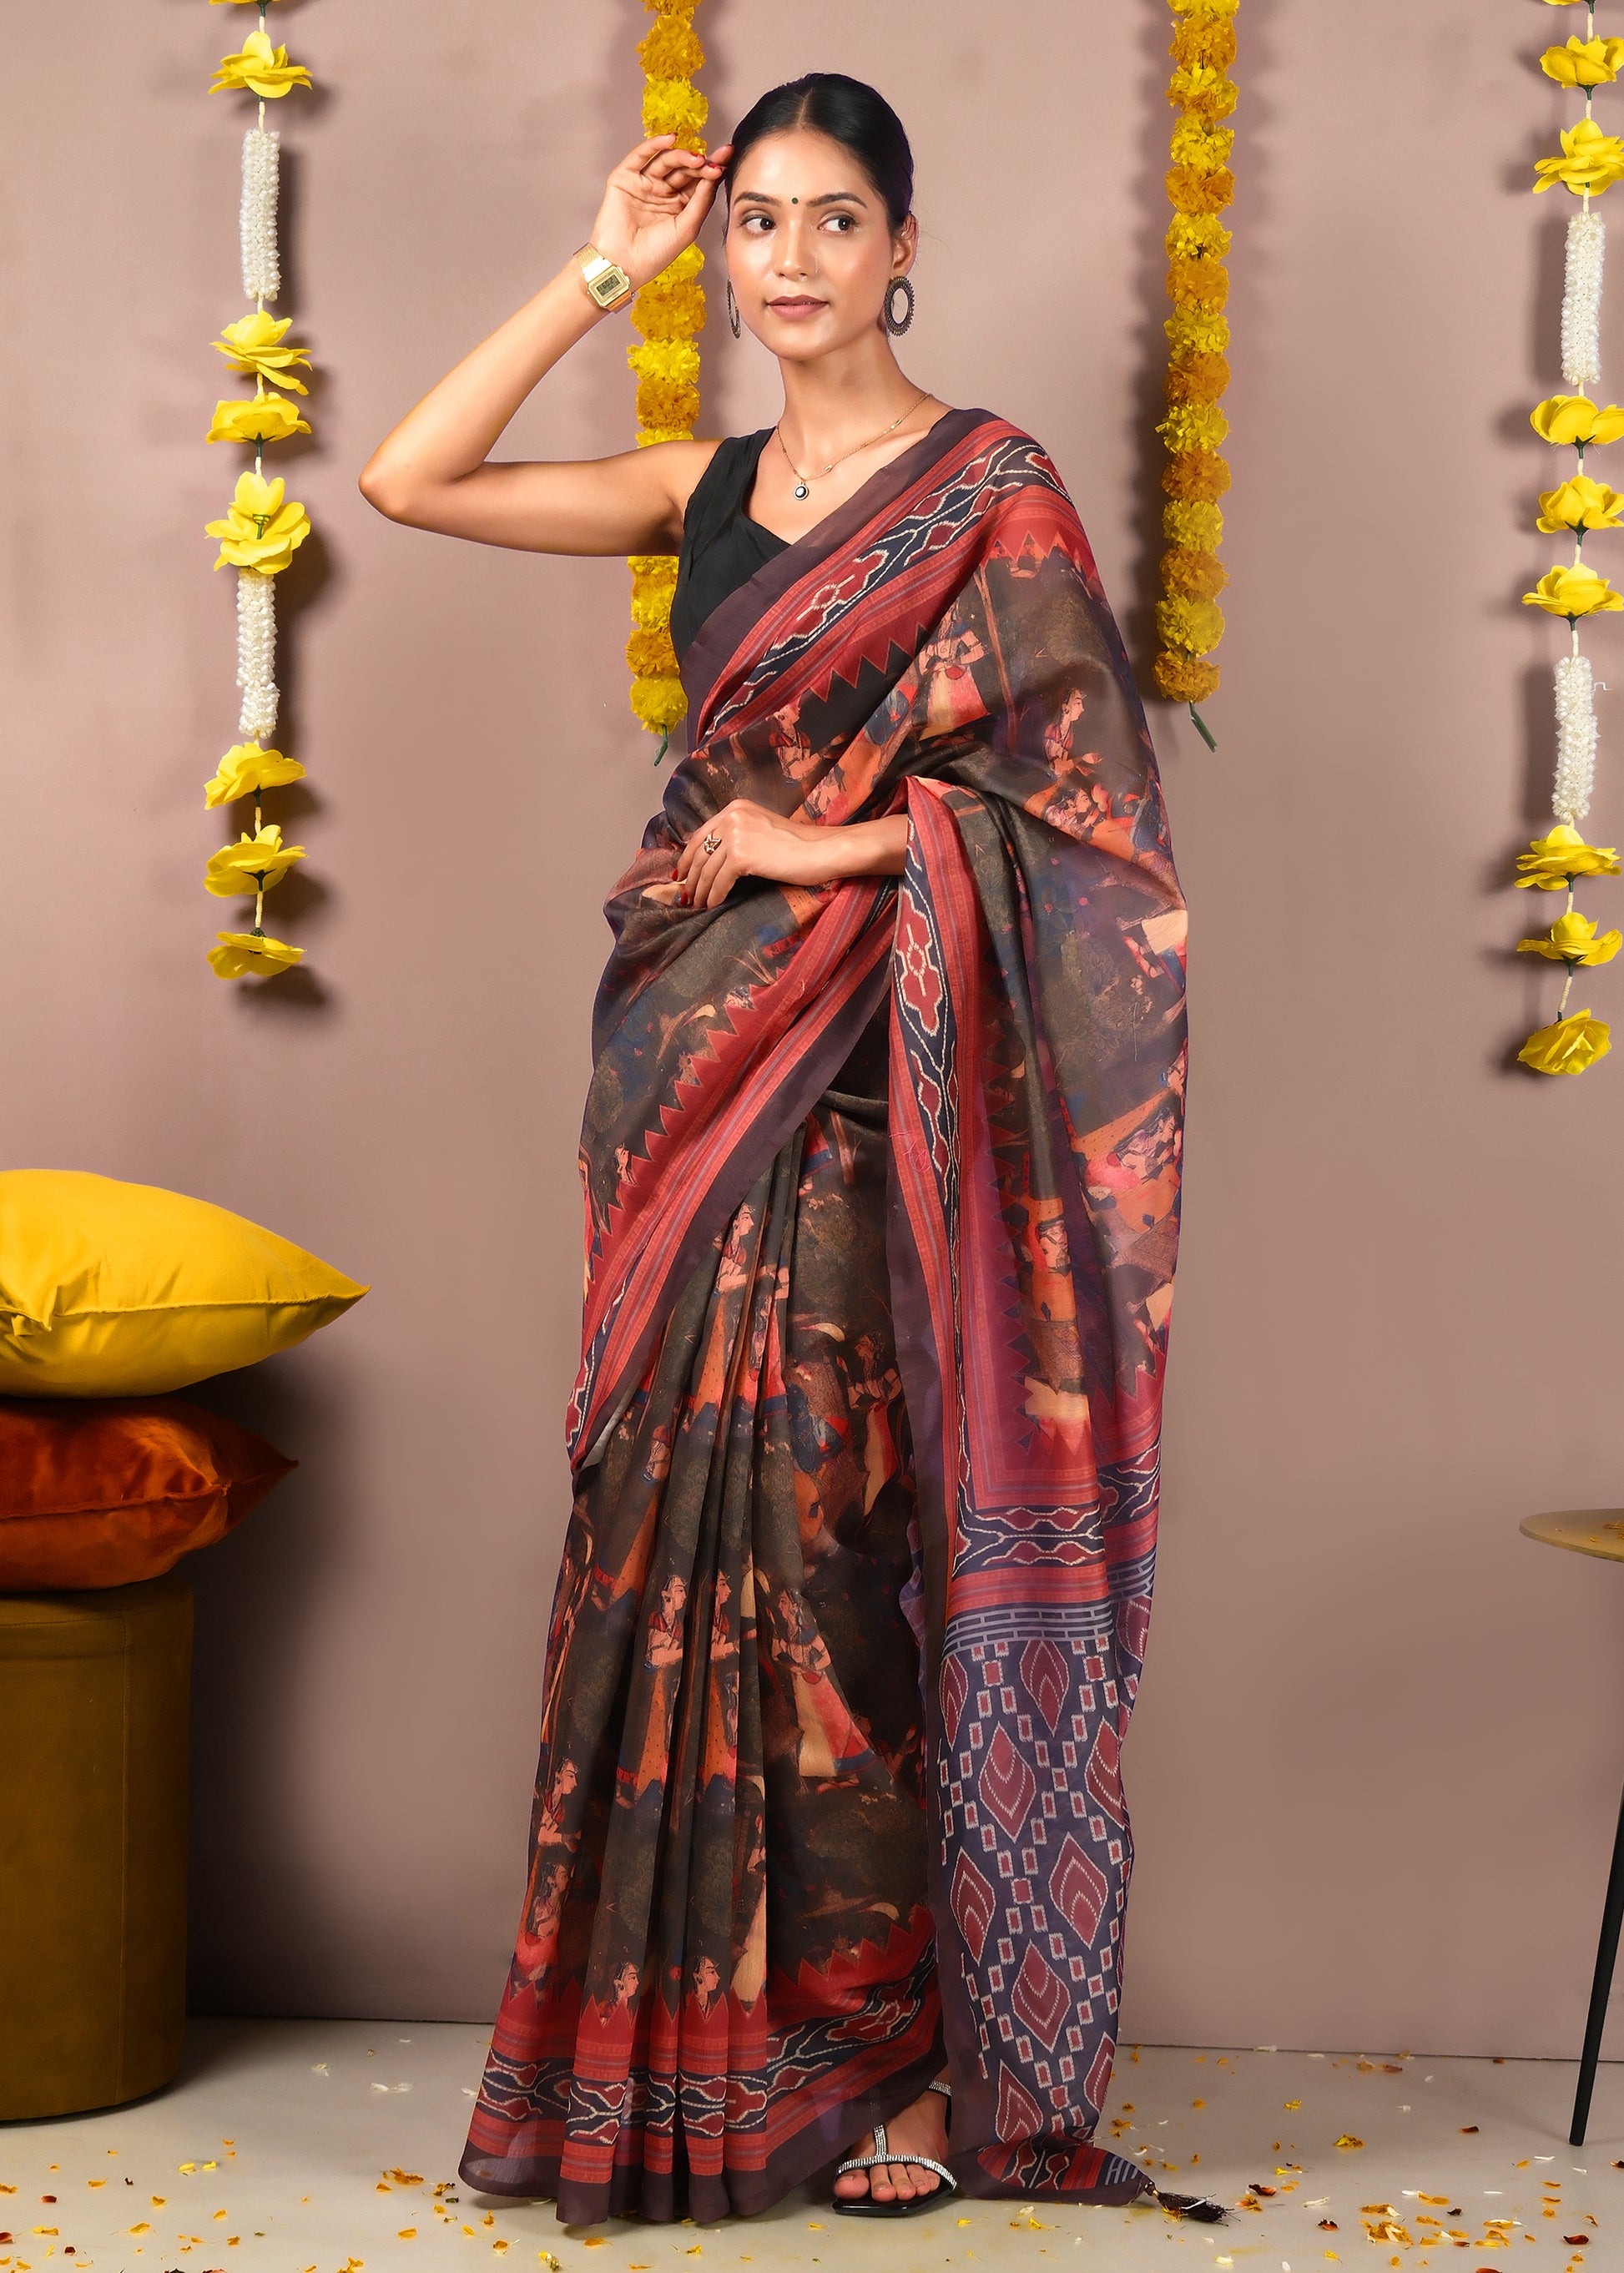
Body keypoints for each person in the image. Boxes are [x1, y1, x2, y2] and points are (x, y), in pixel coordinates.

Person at [361, 71, 1194, 2232]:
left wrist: (814, 841)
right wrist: (591, 271)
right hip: (674, 1064)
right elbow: (403, 474)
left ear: (901, 245)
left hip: (864, 1083)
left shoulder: (987, 489)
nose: (792, 259)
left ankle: (896, 2065)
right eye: (754, 224)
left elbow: (1086, 831)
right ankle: (670, 2057)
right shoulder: (697, 478)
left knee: (833, 1560)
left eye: (833, 219)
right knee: (666, 1542)